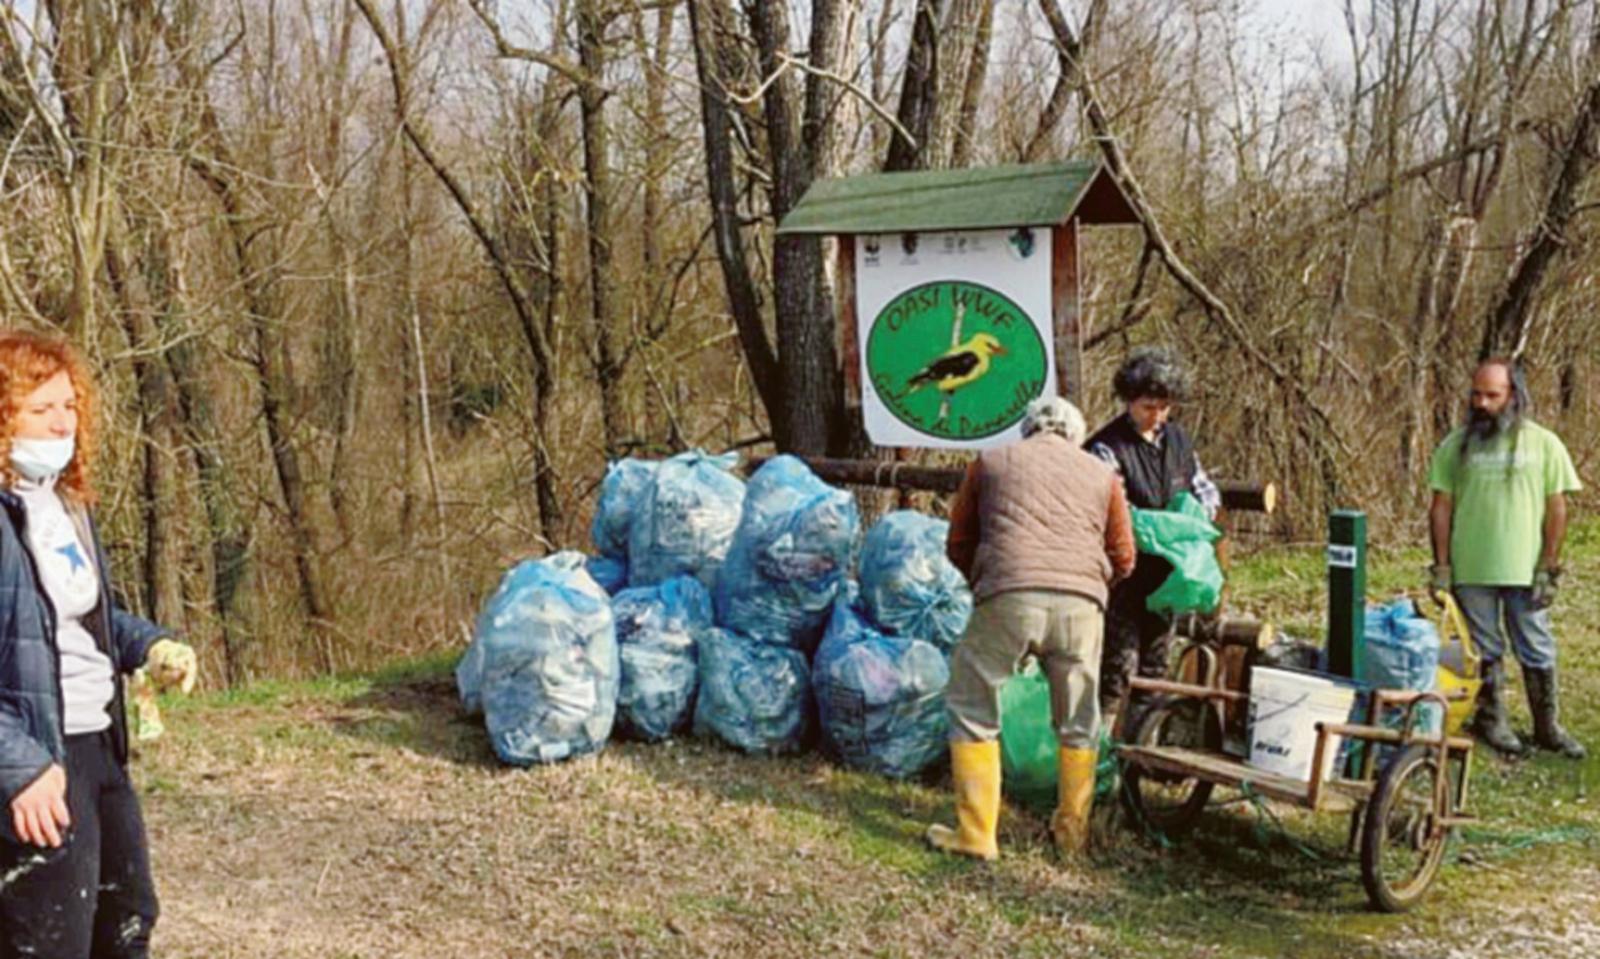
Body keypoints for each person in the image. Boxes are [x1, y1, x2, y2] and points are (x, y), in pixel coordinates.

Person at [0, 331, 199, 958]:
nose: (61, 423)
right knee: (50, 939)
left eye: (69, 406)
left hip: (97, 745)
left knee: (127, 920)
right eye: (40, 409)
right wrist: (19, 769)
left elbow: (85, 618)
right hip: (34, 764)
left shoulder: (63, 504)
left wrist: (148, 645)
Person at [928, 396, 1135, 861]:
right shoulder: (1103, 475)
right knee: (1080, 720)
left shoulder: (991, 462)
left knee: (972, 702)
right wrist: (1092, 587)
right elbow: (1124, 556)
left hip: (1008, 594)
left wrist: (986, 582)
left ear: (1028, 430)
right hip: (1082, 606)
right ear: (1076, 435)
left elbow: (958, 541)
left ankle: (977, 834)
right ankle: (1071, 837)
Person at [1427, 358, 1585, 760]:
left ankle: (1546, 726)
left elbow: (1557, 508)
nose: (1482, 403)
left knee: (1535, 643)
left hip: (1524, 568)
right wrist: (1441, 565)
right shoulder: (1455, 446)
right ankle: (1492, 718)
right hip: (1472, 567)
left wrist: (1549, 565)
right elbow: (1441, 506)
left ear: (1513, 395)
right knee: (1483, 647)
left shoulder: (1544, 444)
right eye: (1476, 394)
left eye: (1492, 395)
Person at [1085, 348, 1219, 725]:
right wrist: (1154, 529)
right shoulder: (1108, 446)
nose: (1156, 415)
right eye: (1147, 406)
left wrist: (1193, 520)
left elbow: (1203, 489)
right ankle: (1103, 748)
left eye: (1164, 407)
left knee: (1158, 660)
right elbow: (1113, 508)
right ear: (1129, 402)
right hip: (1123, 572)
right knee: (1118, 662)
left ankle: (1143, 745)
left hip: (1168, 570)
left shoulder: (1177, 440)